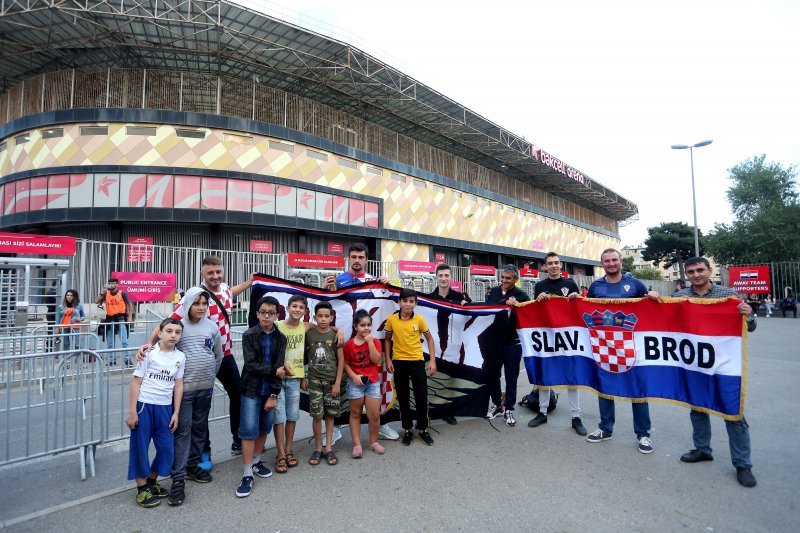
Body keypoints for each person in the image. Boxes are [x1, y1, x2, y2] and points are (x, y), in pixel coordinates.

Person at [139, 256, 253, 459]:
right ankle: (203, 451)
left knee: (238, 395)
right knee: (201, 408)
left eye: (218, 272)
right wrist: (150, 342)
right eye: (210, 273)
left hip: (224, 356)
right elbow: (170, 321)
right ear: (203, 274)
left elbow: (230, 292)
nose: (215, 276)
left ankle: (238, 438)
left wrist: (249, 282)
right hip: (201, 360)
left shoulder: (225, 289)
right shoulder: (195, 297)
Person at [674, 256, 757, 488]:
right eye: (691, 272)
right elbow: (667, 322)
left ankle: (743, 464)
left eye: (700, 270)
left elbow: (749, 327)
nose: (696, 275)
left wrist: (747, 315)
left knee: (733, 412)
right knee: (698, 407)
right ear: (687, 275)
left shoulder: (728, 295)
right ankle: (702, 449)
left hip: (724, 364)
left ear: (710, 271)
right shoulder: (680, 297)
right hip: (694, 363)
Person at [585, 248, 660, 454]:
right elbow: (586, 310)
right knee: (604, 388)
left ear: (621, 261)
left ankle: (643, 434)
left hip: (630, 346)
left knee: (638, 390)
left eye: (614, 260)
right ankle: (605, 429)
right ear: (602, 264)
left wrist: (655, 297)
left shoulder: (635, 284)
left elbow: (651, 308)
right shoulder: (596, 286)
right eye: (607, 261)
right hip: (604, 346)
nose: (611, 263)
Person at [321, 242, 398, 442]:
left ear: (366, 259)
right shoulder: (338, 281)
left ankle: (382, 423)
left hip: (368, 345)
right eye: (353, 257)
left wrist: (386, 286)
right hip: (341, 343)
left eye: (361, 257)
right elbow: (323, 307)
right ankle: (336, 426)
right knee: (336, 385)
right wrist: (323, 290)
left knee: (376, 384)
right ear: (349, 258)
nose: (357, 260)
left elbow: (389, 302)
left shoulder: (374, 281)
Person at [166, 288, 223, 506]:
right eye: (196, 303)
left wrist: (208, 376)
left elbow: (217, 356)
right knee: (182, 432)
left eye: (204, 304)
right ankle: (178, 478)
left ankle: (192, 465)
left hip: (205, 388)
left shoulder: (212, 326)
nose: (200, 308)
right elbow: (165, 348)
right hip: (183, 391)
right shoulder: (178, 325)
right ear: (188, 303)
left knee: (200, 428)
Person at [125, 317, 185, 508]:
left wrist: (176, 412)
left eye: (177, 332)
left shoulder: (180, 357)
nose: (173, 335)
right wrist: (132, 411)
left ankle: (151, 481)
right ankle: (142, 489)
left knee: (167, 450)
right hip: (144, 406)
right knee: (140, 448)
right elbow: (136, 382)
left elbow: (178, 384)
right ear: (159, 333)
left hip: (165, 408)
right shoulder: (149, 353)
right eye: (169, 331)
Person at [529, 252, 586, 435]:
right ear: (544, 267)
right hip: (547, 336)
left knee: (572, 377)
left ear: (561, 265)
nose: (554, 266)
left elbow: (577, 309)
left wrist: (577, 298)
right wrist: (538, 300)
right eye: (550, 263)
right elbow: (536, 311)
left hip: (567, 337)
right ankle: (542, 412)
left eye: (556, 263)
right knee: (545, 375)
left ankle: (576, 418)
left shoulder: (569, 284)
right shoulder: (540, 285)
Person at [235, 296, 287, 498]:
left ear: (277, 315)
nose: (267, 316)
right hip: (251, 390)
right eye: (263, 312)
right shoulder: (249, 335)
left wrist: (274, 394)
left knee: (265, 427)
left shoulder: (281, 338)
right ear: (257, 314)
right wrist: (275, 371)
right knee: (248, 430)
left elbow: (281, 365)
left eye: (271, 313)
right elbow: (250, 364)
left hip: (269, 391)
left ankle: (256, 461)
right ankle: (247, 473)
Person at [385, 288, 437, 446]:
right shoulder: (392, 320)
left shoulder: (419, 320)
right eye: (405, 301)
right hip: (399, 362)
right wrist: (388, 359)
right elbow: (387, 340)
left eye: (411, 301)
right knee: (403, 397)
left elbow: (430, 339)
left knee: (421, 397)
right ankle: (407, 429)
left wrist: (433, 361)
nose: (408, 304)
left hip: (417, 362)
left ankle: (423, 429)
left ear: (416, 303)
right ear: (399, 302)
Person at [485, 265, 530, 428]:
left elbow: (528, 317)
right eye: (502, 277)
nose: (504, 280)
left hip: (512, 343)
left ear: (516, 280)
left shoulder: (522, 295)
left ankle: (509, 408)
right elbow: (485, 311)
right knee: (492, 375)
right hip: (494, 341)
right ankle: (497, 404)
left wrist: (517, 306)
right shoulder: (493, 292)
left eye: (508, 278)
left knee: (511, 377)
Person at [427, 263, 471, 425]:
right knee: (432, 380)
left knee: (450, 380)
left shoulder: (461, 297)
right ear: (436, 277)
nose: (444, 278)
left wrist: (467, 307)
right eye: (441, 276)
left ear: (451, 277)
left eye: (446, 275)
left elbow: (473, 316)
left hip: (454, 346)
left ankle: (447, 412)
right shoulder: (429, 298)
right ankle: (429, 412)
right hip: (434, 346)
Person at [304, 301, 344, 466]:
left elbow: (341, 361)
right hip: (314, 381)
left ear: (332, 317)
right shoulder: (309, 334)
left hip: (331, 382)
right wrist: (302, 377)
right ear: (315, 317)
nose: (323, 319)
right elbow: (301, 355)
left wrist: (337, 383)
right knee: (317, 416)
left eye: (327, 316)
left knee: (330, 415)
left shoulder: (335, 335)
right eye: (320, 316)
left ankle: (328, 447)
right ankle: (318, 448)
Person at [344, 309, 385, 457]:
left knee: (374, 414)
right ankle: (357, 444)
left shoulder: (374, 341)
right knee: (355, 413)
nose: (366, 328)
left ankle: (373, 441)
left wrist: (370, 343)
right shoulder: (349, 344)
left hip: (372, 383)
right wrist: (354, 376)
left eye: (368, 325)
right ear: (356, 327)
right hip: (356, 383)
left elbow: (376, 359)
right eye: (362, 325)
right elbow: (346, 364)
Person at [96, 277, 132, 365]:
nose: (112, 284)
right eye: (110, 283)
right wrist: (102, 292)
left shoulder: (122, 293)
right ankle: (112, 360)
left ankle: (127, 359)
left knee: (124, 341)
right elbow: (96, 302)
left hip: (120, 319)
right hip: (110, 319)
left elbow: (129, 304)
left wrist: (129, 317)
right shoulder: (106, 294)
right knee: (110, 342)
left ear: (117, 284)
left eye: (114, 283)